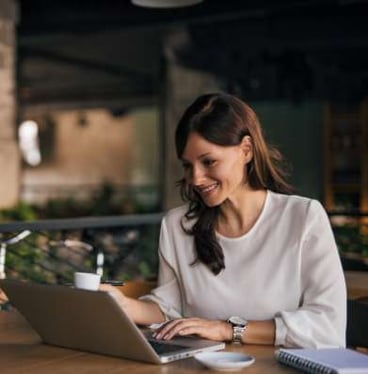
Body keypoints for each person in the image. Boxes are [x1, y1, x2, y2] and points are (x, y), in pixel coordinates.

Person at [100, 92, 346, 348]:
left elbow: (328, 327)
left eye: (209, 161)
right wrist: (122, 304)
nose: (195, 178)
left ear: (246, 150)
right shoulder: (177, 226)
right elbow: (169, 308)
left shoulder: (303, 218)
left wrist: (228, 330)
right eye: (187, 166)